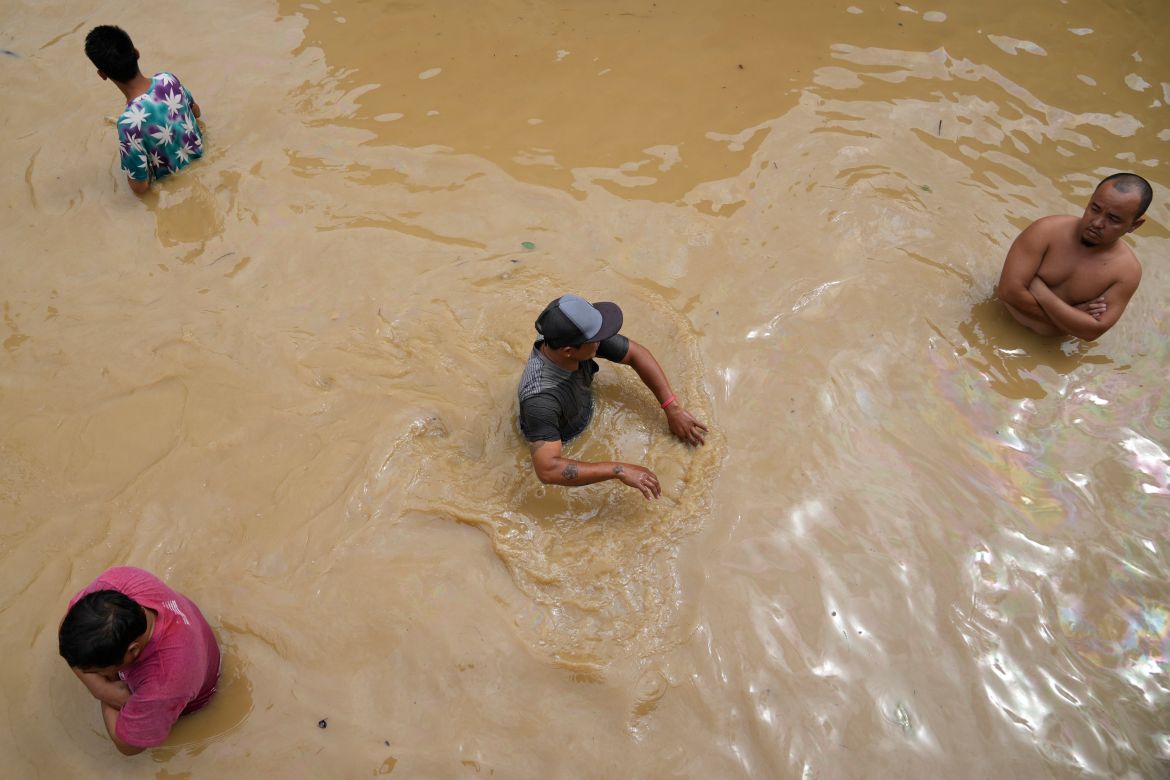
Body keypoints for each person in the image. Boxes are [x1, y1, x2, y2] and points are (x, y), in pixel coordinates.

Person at [517, 294, 708, 500]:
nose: (602, 340)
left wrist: (672, 408)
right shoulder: (540, 401)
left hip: (576, 403)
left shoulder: (570, 341)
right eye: (596, 338)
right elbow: (548, 469)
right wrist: (619, 470)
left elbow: (636, 354)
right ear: (569, 351)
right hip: (565, 434)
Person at [58, 566, 220, 756]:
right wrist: (101, 688)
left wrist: (105, 691)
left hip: (189, 692)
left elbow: (127, 746)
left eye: (94, 671)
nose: (86, 674)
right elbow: (66, 624)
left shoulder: (163, 684)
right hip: (191, 635)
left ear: (133, 650)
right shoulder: (117, 581)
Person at [996, 172, 1151, 340]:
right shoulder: (1047, 230)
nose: (1097, 223)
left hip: (1048, 348)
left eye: (1113, 219)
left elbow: (1092, 331)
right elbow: (1008, 292)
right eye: (1095, 209)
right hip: (996, 318)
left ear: (1134, 225)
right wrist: (1073, 317)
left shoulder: (1126, 271)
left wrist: (1040, 291)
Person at [84, 26, 203, 195]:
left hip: (176, 189)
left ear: (102, 74)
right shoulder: (167, 80)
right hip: (201, 160)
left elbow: (140, 187)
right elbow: (196, 113)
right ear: (137, 53)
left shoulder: (128, 124)